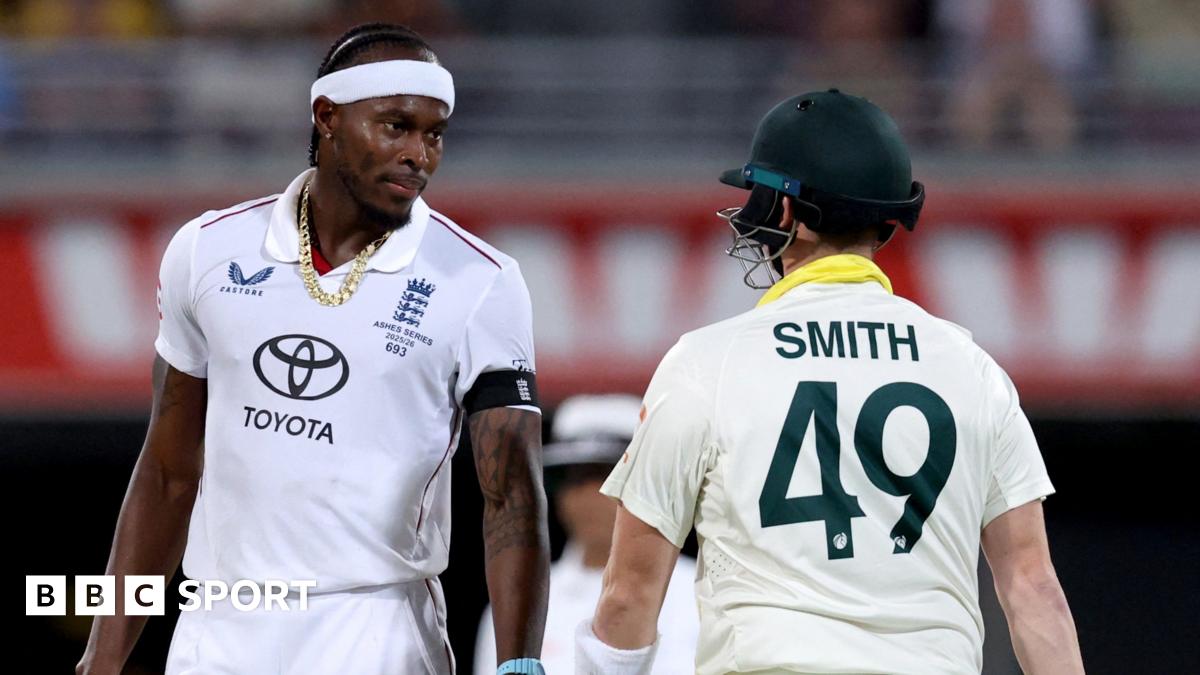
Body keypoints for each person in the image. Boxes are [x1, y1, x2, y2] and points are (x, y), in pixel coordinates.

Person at [76, 23, 549, 675]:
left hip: (374, 627)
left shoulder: (481, 279)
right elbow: (166, 471)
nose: (420, 154)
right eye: (396, 126)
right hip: (217, 625)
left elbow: (511, 490)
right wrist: (104, 653)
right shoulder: (208, 250)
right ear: (327, 117)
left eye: (433, 134)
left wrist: (519, 664)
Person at [577, 89, 1085, 674]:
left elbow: (629, 595)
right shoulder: (973, 368)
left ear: (788, 214)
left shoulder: (705, 363)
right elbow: (1032, 589)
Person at [474, 394, 698, 674]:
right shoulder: (518, 605)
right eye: (576, 478)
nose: (592, 496)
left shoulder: (703, 595)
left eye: (607, 476)